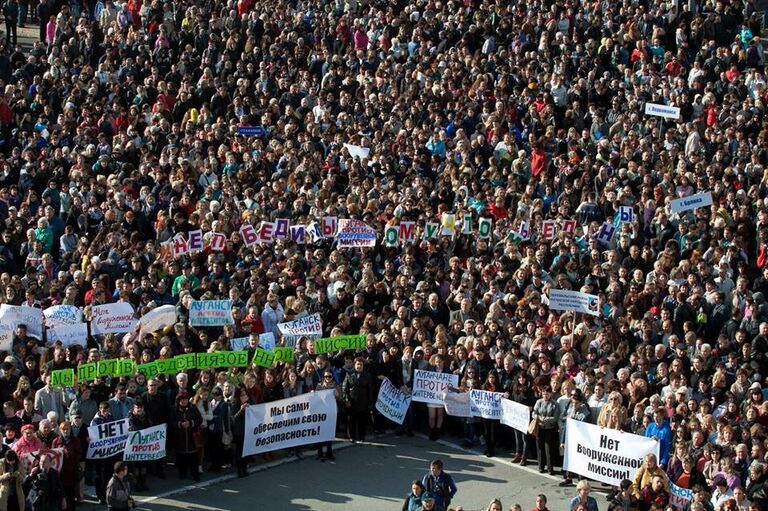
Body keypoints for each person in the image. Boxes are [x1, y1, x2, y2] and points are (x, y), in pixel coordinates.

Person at [341, 357, 374, 443]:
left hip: (363, 402)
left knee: (362, 420)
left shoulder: (367, 376)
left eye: (361, 364)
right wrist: (347, 400)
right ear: (354, 365)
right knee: (351, 420)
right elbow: (344, 388)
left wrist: (370, 403)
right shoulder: (349, 375)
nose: (359, 366)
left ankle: (361, 436)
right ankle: (351, 436)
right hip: (352, 401)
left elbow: (370, 390)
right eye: (357, 364)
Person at [172, 392, 202, 482]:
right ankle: (182, 473)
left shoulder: (193, 408)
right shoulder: (174, 409)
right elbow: (171, 422)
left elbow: (199, 419)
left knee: (193, 458)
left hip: (191, 437)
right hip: (179, 437)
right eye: (181, 400)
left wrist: (190, 423)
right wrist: (180, 424)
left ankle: (195, 474)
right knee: (181, 458)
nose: (184, 401)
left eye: (185, 399)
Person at [532, 385, 559, 475]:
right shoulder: (539, 402)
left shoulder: (555, 404)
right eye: (544, 394)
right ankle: (541, 466)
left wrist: (546, 419)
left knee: (549, 449)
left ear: (550, 394)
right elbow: (534, 413)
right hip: (540, 428)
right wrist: (539, 417)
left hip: (549, 429)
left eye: (547, 394)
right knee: (539, 448)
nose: (545, 396)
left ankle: (550, 468)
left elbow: (555, 417)